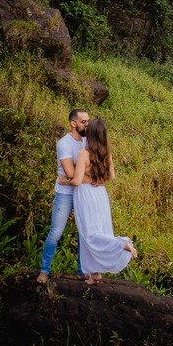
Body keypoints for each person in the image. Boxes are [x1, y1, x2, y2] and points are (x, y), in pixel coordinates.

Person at [62, 116, 137, 284]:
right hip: (100, 194)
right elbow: (112, 175)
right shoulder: (106, 152)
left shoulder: (84, 154)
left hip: (85, 195)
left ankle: (122, 244)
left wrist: (63, 181)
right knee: (100, 231)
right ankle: (95, 274)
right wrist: (98, 180)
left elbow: (76, 181)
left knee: (89, 235)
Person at [37, 108, 88, 284]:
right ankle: (44, 270)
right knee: (56, 232)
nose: (87, 124)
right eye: (83, 122)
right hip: (65, 193)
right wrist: (81, 170)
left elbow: (88, 169)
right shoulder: (64, 143)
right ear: (73, 123)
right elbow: (71, 173)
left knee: (84, 233)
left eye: (88, 121)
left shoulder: (88, 141)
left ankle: (82, 270)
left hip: (82, 192)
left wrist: (80, 171)